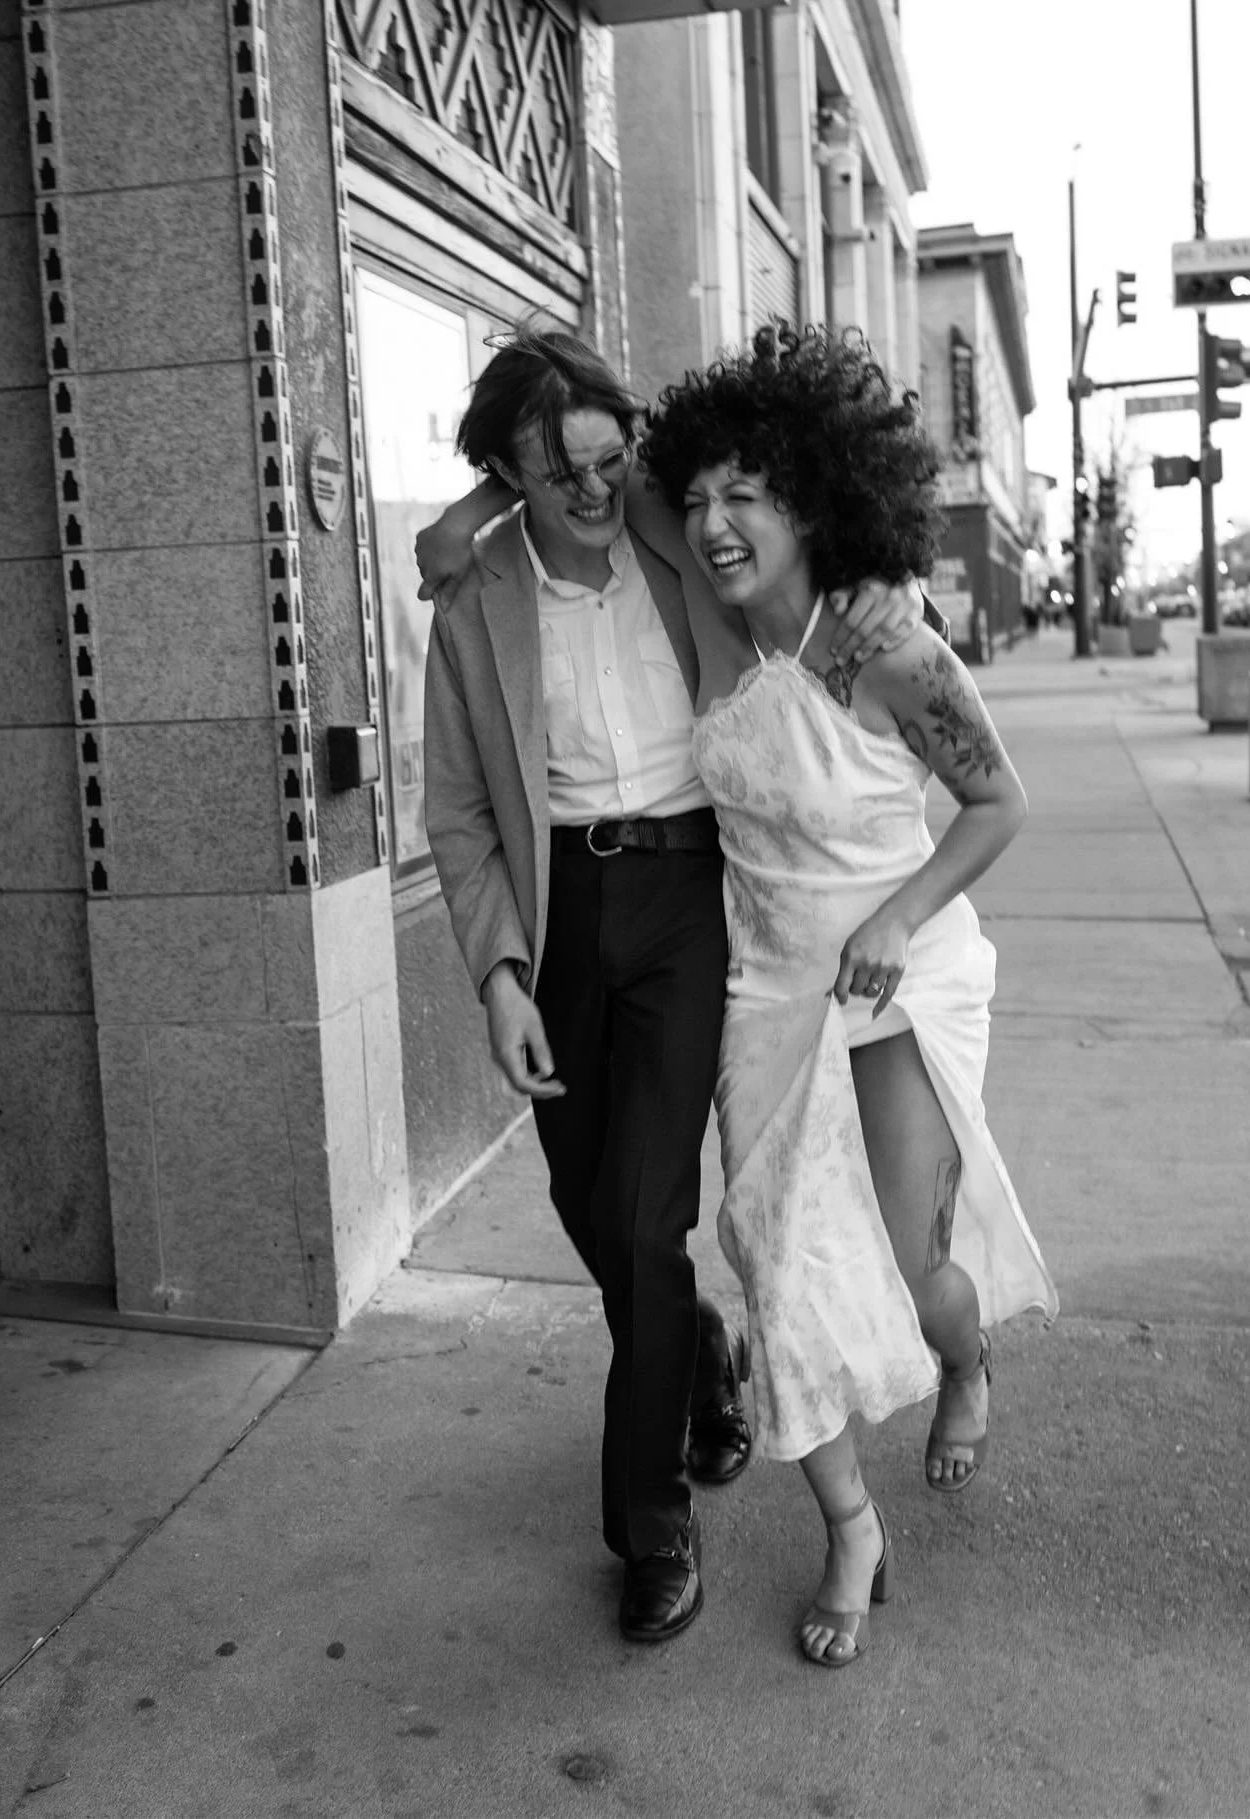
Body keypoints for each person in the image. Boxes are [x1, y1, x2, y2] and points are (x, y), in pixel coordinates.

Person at [416, 323, 934, 1645]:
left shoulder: (667, 532)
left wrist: (890, 589)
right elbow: (461, 813)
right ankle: (696, 1345)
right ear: (508, 478)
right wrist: (501, 975)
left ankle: (651, 1524)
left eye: (611, 459)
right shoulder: (473, 603)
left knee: (645, 1216)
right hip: (561, 916)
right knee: (594, 1210)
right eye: (562, 474)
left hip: (691, 898)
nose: (598, 490)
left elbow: (794, 561)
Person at [639, 321, 1058, 1668]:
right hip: (770, 991)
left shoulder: (887, 647)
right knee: (773, 1267)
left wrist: (899, 911)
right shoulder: (714, 616)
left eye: (748, 494)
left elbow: (998, 803)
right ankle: (852, 1528)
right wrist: (469, 516)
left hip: (898, 977)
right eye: (702, 495)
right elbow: (620, 474)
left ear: (815, 499)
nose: (713, 521)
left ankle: (966, 1360)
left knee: (917, 1266)